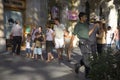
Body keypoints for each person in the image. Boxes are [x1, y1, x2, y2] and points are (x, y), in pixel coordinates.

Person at [69, 12, 98, 78]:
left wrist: (94, 26)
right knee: (87, 59)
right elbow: (73, 35)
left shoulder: (85, 24)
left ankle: (78, 65)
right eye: (85, 17)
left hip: (88, 43)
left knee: (86, 57)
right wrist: (71, 44)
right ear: (81, 18)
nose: (86, 18)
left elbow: (88, 34)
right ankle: (87, 74)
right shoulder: (77, 25)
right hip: (82, 43)